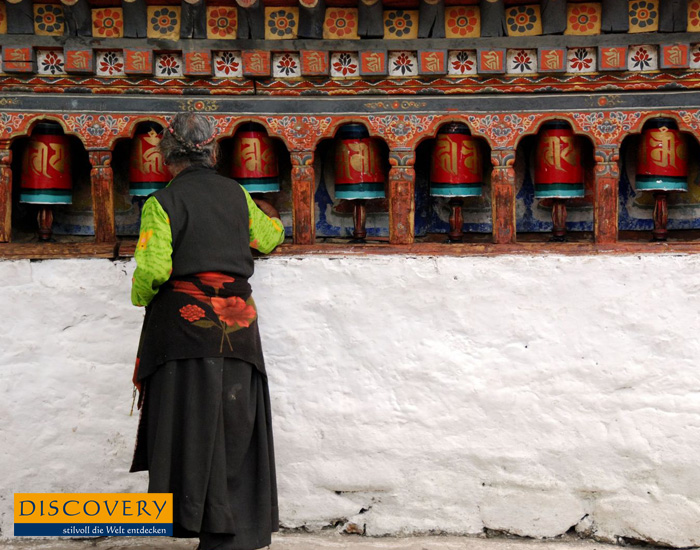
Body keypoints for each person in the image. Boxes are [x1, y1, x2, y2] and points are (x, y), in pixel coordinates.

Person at [129, 112, 284, 550]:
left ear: (166, 159)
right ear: (213, 154)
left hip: (183, 328)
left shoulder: (162, 202)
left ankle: (197, 520)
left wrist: (139, 294)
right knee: (235, 424)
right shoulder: (238, 194)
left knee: (192, 426)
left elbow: (154, 270)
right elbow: (270, 237)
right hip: (238, 324)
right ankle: (236, 531)